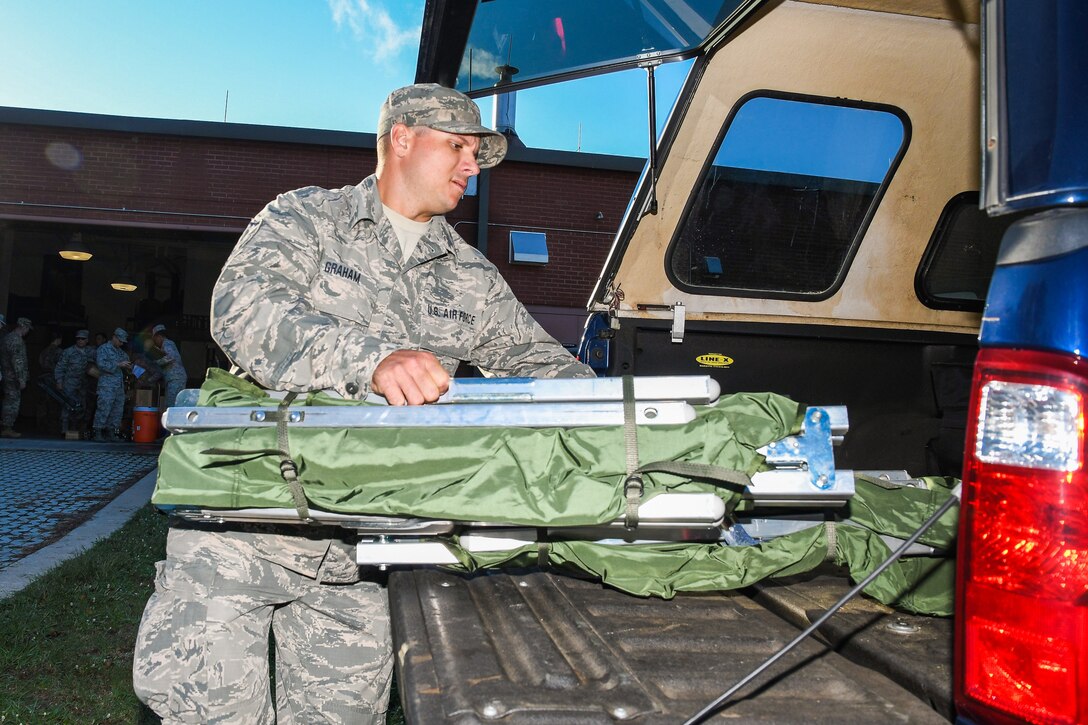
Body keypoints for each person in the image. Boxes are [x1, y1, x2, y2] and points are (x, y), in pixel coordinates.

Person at [133, 83, 594, 723]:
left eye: (476, 154)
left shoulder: (471, 276)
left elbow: (539, 365)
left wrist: (621, 412)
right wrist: (370, 360)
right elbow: (244, 310)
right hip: (245, 531)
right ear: (401, 138)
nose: (471, 166)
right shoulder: (305, 219)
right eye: (458, 146)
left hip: (366, 558)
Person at [92, 327, 132, 441]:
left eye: (123, 342)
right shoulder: (103, 349)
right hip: (107, 385)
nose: (121, 343)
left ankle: (112, 432)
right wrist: (119, 364)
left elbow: (128, 364)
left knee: (117, 409)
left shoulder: (121, 352)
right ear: (114, 337)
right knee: (104, 407)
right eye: (120, 341)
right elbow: (101, 364)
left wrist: (129, 367)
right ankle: (98, 432)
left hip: (118, 386)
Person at [55, 329, 94, 437]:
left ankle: (75, 429)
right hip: (70, 383)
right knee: (67, 405)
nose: (80, 340)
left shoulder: (91, 351)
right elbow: (60, 367)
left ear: (87, 340)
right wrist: (59, 381)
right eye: (78, 338)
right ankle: (64, 430)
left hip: (83, 384)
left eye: (83, 339)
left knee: (82, 407)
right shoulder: (68, 351)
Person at [0, 317, 32, 438]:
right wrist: (21, 379)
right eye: (28, 329)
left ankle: (6, 426)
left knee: (9, 400)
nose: (28, 331)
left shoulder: (8, 337)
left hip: (8, 375)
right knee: (12, 402)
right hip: (12, 377)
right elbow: (17, 361)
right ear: (24, 327)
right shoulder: (16, 340)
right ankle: (7, 427)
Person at [149, 323, 187, 410]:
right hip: (174, 379)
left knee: (172, 406)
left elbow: (171, 357)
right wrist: (149, 380)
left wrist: (157, 362)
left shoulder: (167, 343)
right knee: (173, 404)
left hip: (175, 379)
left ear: (159, 337)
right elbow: (160, 371)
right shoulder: (165, 346)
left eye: (155, 340)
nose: (155, 342)